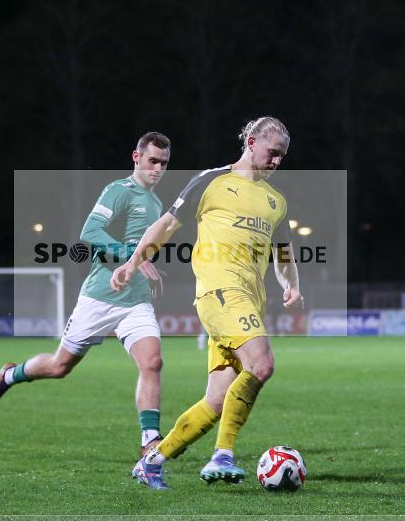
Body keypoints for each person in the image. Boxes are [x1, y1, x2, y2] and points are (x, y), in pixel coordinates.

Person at [112, 117, 303, 490]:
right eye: (272, 153)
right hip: (219, 292)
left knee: (216, 402)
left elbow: (284, 253)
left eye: (283, 157)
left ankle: (152, 462)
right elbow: (166, 226)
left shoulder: (276, 202)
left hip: (249, 301)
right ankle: (223, 454)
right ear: (250, 142)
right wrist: (133, 262)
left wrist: (292, 287)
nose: (277, 162)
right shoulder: (212, 180)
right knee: (261, 363)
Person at [0, 131, 171, 455]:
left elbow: (144, 250)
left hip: (135, 300)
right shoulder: (118, 191)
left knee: (152, 362)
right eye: (152, 160)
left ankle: (149, 440)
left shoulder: (155, 203)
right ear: (136, 157)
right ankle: (10, 375)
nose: (158, 168)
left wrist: (148, 267)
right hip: (99, 296)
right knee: (59, 367)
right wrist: (130, 255)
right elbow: (90, 232)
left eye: (164, 163)